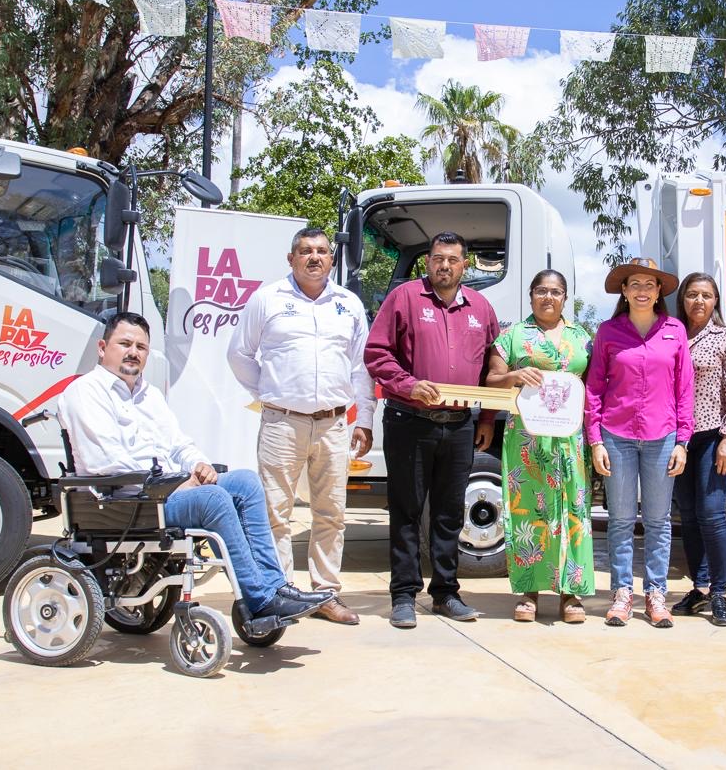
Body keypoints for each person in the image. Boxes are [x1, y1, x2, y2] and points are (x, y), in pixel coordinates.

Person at [59, 312, 335, 623]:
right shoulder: (86, 391)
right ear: (102, 347)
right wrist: (173, 483)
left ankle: (275, 588)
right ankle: (259, 599)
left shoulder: (148, 394)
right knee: (213, 500)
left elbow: (177, 443)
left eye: (141, 347)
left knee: (245, 482)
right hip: (124, 500)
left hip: (161, 493)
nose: (133, 352)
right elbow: (104, 461)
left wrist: (198, 465)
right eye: (124, 344)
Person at [228, 227, 375, 627]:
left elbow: (362, 367)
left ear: (332, 259)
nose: (314, 257)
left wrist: (364, 418)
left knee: (331, 513)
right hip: (281, 424)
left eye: (322, 251)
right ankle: (279, 593)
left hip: (332, 424)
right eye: (306, 251)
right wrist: (272, 391)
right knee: (275, 513)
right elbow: (239, 354)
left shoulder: (348, 304)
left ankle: (326, 593)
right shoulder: (267, 299)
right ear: (290, 258)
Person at [365, 232, 501, 629]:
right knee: (407, 511)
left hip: (459, 426)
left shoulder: (481, 307)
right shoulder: (404, 298)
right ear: (428, 262)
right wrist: (408, 385)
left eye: (453, 260)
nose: (445, 266)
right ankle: (404, 595)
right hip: (409, 422)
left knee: (447, 514)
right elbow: (377, 353)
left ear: (465, 265)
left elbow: (494, 370)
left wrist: (488, 419)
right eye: (438, 258)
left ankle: (445, 593)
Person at [586, 257, 694, 628]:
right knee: (618, 519)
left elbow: (684, 389)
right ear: (624, 291)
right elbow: (594, 387)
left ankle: (656, 594)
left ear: (660, 291)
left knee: (658, 520)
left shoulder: (675, 330)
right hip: (616, 437)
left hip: (662, 437)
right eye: (635, 284)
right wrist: (595, 439)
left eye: (650, 284)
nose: (643, 290)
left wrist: (683, 440)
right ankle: (621, 594)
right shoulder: (608, 332)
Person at [485, 270, 595, 624]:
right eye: (541, 291)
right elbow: (491, 380)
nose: (549, 297)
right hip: (526, 438)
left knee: (573, 511)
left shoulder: (583, 339)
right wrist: (514, 377)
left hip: (570, 439)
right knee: (529, 512)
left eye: (556, 292)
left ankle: (570, 594)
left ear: (566, 297)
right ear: (531, 295)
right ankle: (529, 592)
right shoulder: (512, 336)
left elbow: (595, 389)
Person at [670, 272, 726, 627]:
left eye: (706, 295)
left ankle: (719, 592)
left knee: (711, 513)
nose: (698, 301)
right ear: (682, 300)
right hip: (675, 438)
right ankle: (699, 588)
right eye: (692, 295)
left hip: (712, 437)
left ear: (715, 301)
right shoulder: (669, 334)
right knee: (687, 515)